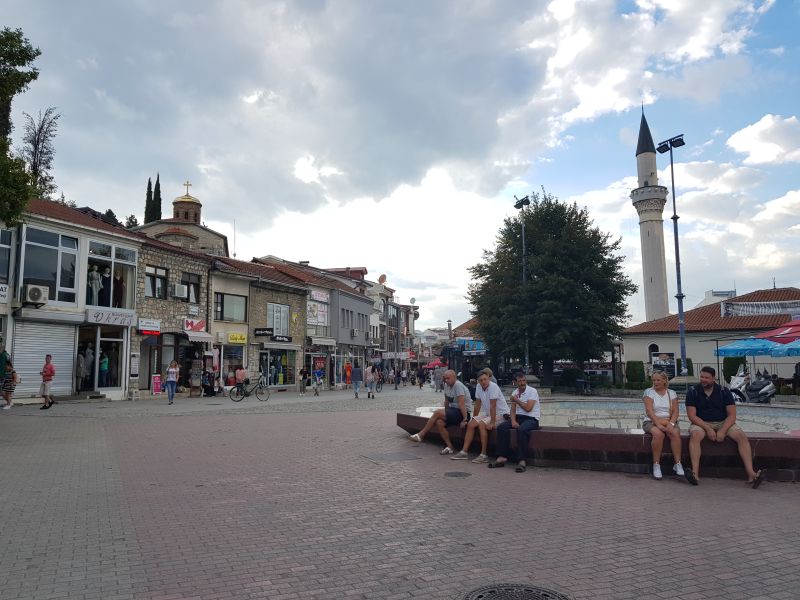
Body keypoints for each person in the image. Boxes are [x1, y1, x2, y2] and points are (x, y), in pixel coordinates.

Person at [684, 366, 764, 488]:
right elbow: (692, 416)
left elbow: (732, 415)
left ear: (714, 378)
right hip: (701, 422)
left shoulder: (724, 391)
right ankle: (695, 473)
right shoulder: (693, 392)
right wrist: (708, 429)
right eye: (702, 377)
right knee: (696, 435)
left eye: (706, 378)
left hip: (723, 421)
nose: (703, 380)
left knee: (741, 435)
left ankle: (751, 473)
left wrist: (722, 431)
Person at [450, 369, 509, 463]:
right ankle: (464, 452)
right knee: (471, 424)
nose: (483, 382)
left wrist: (493, 423)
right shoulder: (478, 386)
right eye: (481, 380)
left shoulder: (494, 387)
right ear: (478, 381)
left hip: (501, 414)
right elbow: (477, 405)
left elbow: (493, 406)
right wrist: (474, 418)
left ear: (489, 379)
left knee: (482, 424)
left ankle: (484, 454)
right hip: (488, 414)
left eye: (485, 379)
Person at [408, 369, 471, 454]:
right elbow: (447, 401)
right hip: (453, 411)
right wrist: (445, 412)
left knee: (437, 412)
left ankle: (421, 435)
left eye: (448, 378)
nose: (446, 380)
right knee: (439, 422)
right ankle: (450, 446)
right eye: (445, 378)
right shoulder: (446, 385)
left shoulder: (458, 385)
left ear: (454, 377)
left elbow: (462, 404)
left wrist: (465, 419)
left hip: (462, 413)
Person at [490, 372, 539, 472]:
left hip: (531, 418)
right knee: (502, 427)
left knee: (522, 430)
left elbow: (528, 408)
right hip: (518, 417)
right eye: (520, 381)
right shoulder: (515, 392)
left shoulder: (532, 391)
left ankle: (522, 460)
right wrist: (512, 421)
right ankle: (502, 456)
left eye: (524, 380)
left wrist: (516, 400)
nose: (522, 383)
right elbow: (512, 410)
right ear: (515, 382)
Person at [642, 370, 684, 480]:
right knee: (658, 434)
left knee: (674, 432)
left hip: (668, 420)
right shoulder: (648, 392)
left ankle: (678, 463)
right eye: (654, 380)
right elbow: (649, 411)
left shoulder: (672, 393)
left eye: (658, 380)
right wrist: (658, 424)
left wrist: (671, 423)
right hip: (651, 421)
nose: (655, 382)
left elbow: (675, 411)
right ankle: (656, 464)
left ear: (665, 380)